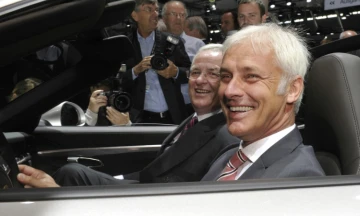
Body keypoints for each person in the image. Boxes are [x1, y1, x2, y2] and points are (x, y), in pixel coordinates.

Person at [17, 44, 240, 187]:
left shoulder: (226, 134)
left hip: (155, 201)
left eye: (213, 74)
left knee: (70, 174)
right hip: (145, 186)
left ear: (228, 81)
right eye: (195, 73)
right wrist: (118, 179)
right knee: (72, 172)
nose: (200, 80)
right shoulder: (195, 120)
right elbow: (156, 170)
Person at [202, 23, 325, 181]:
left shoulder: (298, 179)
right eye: (226, 76)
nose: (229, 91)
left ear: (292, 89)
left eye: (251, 76)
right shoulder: (228, 155)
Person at [121, 0, 191, 125]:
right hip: (140, 117)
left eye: (157, 10)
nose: (155, 14)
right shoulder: (124, 44)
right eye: (148, 9)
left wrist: (175, 72)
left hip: (173, 115)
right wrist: (135, 71)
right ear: (134, 15)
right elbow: (116, 80)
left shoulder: (172, 41)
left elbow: (191, 73)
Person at [162, 0, 205, 115]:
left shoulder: (198, 45)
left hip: (191, 105)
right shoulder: (156, 43)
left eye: (182, 15)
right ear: (164, 18)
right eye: (173, 14)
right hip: (165, 106)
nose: (178, 18)